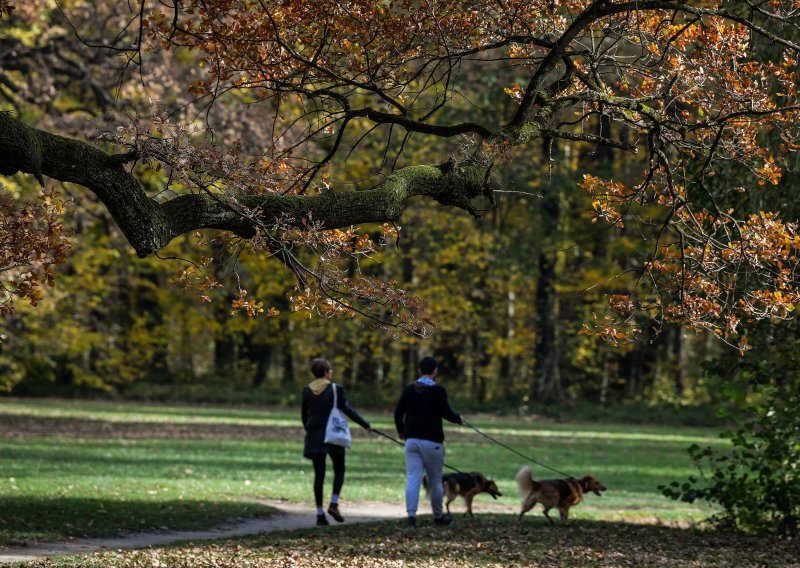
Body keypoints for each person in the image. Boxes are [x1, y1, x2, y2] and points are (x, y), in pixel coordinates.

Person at [394, 356, 463, 527]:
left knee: (413, 478)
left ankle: (411, 516)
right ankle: (438, 516)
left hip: (412, 441)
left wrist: (401, 431)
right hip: (433, 442)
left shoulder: (409, 390)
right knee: (435, 481)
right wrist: (458, 419)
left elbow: (398, 412)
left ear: (419, 370)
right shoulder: (438, 391)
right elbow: (447, 413)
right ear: (435, 371)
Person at [301, 358, 371, 526]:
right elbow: (348, 409)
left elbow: (304, 415)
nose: (331, 373)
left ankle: (319, 514)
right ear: (325, 372)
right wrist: (365, 424)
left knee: (319, 474)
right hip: (334, 435)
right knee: (339, 470)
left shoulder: (307, 390)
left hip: (315, 436)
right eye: (330, 370)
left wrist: (310, 431)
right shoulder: (335, 389)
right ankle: (333, 504)